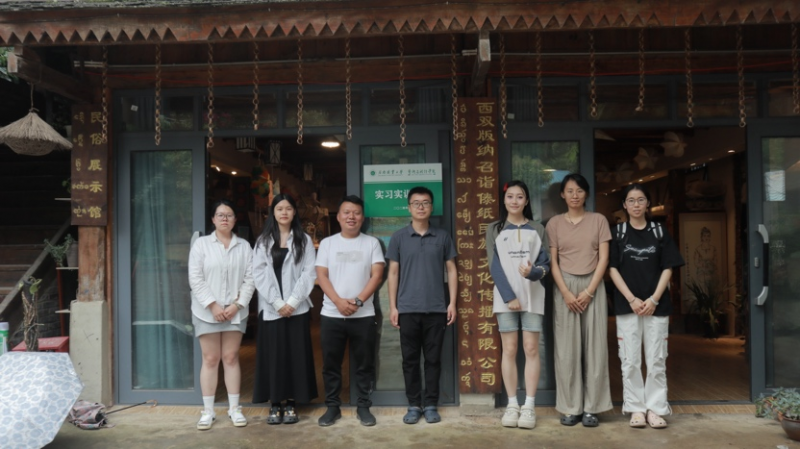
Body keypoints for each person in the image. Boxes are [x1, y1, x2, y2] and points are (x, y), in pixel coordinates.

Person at [608, 184, 684, 429]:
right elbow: (612, 269)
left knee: (656, 360)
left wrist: (654, 299)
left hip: (656, 307)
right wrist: (632, 299)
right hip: (627, 305)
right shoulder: (618, 233)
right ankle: (636, 409)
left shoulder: (659, 231)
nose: (636, 204)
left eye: (641, 200)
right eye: (631, 200)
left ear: (648, 203)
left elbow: (668, 267)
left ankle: (655, 409)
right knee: (629, 360)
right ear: (624, 205)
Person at [545, 173, 613, 427]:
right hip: (564, 286)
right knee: (566, 351)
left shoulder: (599, 220)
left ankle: (592, 408)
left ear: (587, 194)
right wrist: (565, 292)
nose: (575, 195)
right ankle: (570, 407)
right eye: (570, 191)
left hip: (593, 285)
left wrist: (589, 291)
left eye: (580, 191)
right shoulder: (554, 224)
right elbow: (553, 262)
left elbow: (604, 258)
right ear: (562, 195)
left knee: (596, 348)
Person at [387, 186, 458, 425]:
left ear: (431, 207)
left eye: (425, 202)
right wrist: (393, 306)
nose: (421, 207)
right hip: (407, 309)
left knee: (433, 360)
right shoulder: (398, 237)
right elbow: (393, 273)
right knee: (409, 360)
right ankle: (413, 404)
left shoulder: (442, 236)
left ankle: (430, 404)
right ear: (409, 207)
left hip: (436, 309)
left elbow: (451, 270)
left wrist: (452, 303)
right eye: (416, 203)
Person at [315, 195, 385, 427]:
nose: (351, 216)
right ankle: (332, 407)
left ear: (362, 218)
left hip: (363, 315)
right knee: (331, 364)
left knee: (364, 363)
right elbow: (321, 276)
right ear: (338, 217)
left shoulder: (372, 243)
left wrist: (357, 301)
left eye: (356, 212)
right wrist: (338, 302)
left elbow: (377, 275)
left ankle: (363, 406)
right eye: (346, 212)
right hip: (331, 314)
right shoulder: (328, 243)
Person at [485, 180, 550, 429]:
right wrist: (509, 296)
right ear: (504, 200)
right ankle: (512, 404)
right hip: (505, 299)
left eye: (519, 197)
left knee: (531, 349)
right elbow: (493, 264)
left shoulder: (538, 228)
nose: (514, 201)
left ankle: (529, 406)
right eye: (510, 196)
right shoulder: (495, 228)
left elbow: (545, 264)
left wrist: (533, 273)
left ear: (527, 201)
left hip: (533, 296)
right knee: (509, 350)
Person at [188, 199, 255, 430]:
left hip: (235, 311)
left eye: (229, 215)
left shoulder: (244, 247)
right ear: (213, 219)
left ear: (235, 220)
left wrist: (238, 304)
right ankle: (208, 411)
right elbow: (195, 278)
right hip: (207, 312)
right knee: (210, 359)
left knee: (231, 357)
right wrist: (213, 305)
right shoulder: (201, 245)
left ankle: (234, 408)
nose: (225, 219)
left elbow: (250, 279)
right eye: (220, 215)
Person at [251, 194, 318, 424]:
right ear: (273, 212)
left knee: (295, 356)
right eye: (279, 208)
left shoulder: (304, 240)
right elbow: (259, 274)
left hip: (296, 309)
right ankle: (275, 402)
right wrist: (278, 303)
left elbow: (309, 273)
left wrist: (292, 302)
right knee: (274, 356)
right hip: (272, 308)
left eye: (288, 208)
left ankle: (291, 402)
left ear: (294, 212)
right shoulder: (263, 241)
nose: (284, 212)